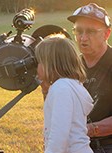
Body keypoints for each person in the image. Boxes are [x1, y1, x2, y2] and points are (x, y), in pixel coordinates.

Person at [35, 35, 94, 153]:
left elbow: (59, 137)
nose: (36, 67)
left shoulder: (61, 88)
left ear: (51, 64)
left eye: (39, 62)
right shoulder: (73, 85)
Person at [67, 3, 112, 153]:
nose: (83, 38)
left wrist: (89, 130)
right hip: (77, 143)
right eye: (78, 31)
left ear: (106, 34)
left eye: (91, 32)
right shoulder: (72, 67)